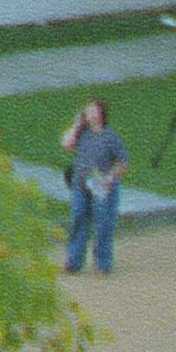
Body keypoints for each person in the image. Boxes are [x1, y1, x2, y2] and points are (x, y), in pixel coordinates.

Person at [61, 97, 126, 276]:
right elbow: (66, 144)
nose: (89, 113)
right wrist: (76, 124)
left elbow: (123, 162)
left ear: (100, 113)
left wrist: (110, 177)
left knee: (103, 224)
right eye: (87, 110)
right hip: (81, 186)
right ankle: (73, 262)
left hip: (101, 188)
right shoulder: (82, 133)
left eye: (92, 110)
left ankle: (102, 263)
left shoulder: (110, 137)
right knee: (78, 221)